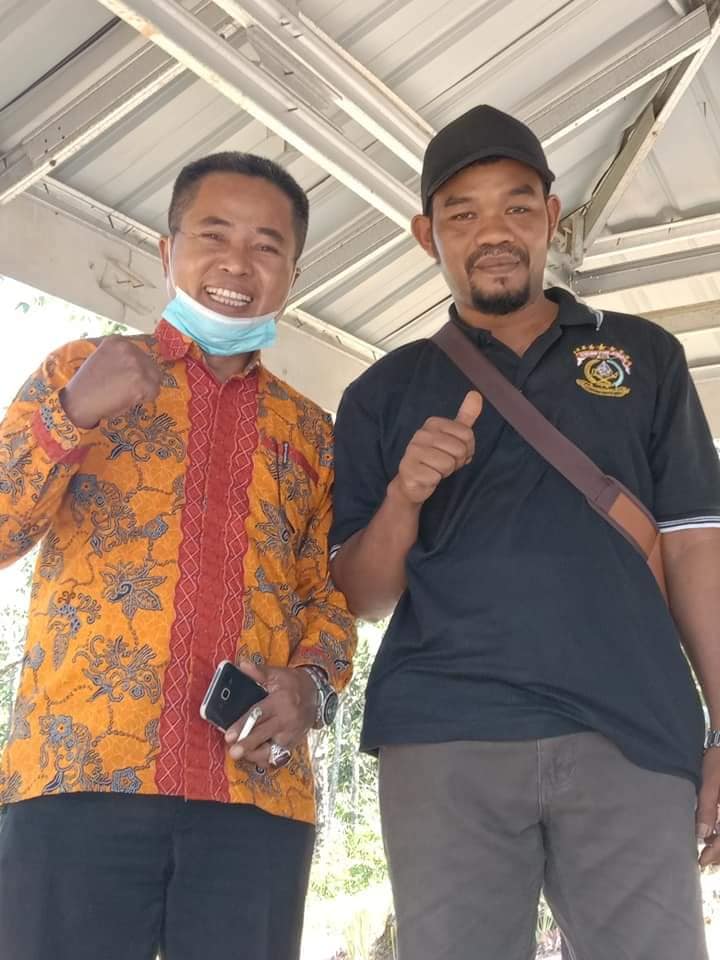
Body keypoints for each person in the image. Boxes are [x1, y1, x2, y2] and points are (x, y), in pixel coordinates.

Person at [330, 104, 720, 960]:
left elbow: (696, 548)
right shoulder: (383, 392)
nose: (493, 232)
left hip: (633, 732)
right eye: (463, 214)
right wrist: (404, 495)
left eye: (515, 206)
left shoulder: (645, 356)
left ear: (550, 216)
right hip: (445, 738)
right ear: (427, 236)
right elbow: (360, 596)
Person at [0, 151, 356, 960]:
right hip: (80, 775)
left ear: (293, 274)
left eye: (266, 246)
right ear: (168, 251)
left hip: (255, 796)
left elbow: (328, 596)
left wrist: (311, 687)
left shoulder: (310, 432)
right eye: (213, 235)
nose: (237, 263)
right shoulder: (77, 371)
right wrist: (69, 416)